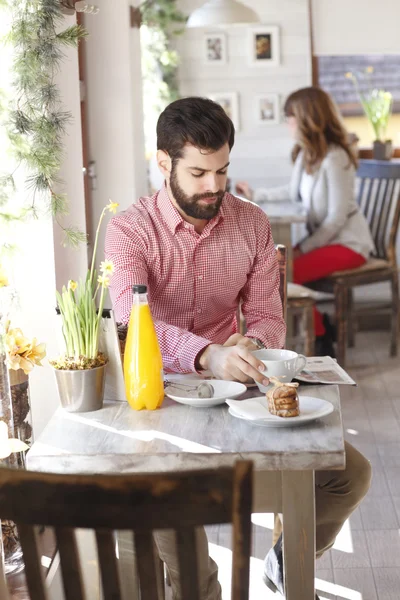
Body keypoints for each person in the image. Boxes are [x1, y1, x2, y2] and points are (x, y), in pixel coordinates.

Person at [105, 96, 371, 600]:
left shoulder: (251, 224)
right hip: (158, 399)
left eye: (223, 171)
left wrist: (253, 344)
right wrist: (207, 354)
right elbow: (129, 322)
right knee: (173, 520)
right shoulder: (129, 230)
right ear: (164, 163)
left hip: (239, 392)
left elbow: (270, 316)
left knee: (350, 477)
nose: (214, 188)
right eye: (200, 173)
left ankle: (285, 563)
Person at [236, 87, 375, 357]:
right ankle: (319, 329)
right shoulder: (306, 153)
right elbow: (291, 191)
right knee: (277, 270)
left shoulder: (336, 158)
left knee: (283, 274)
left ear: (308, 119)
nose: (288, 124)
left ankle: (321, 333)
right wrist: (255, 194)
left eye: (291, 117)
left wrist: (305, 247)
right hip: (327, 241)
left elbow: (336, 219)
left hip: (349, 244)